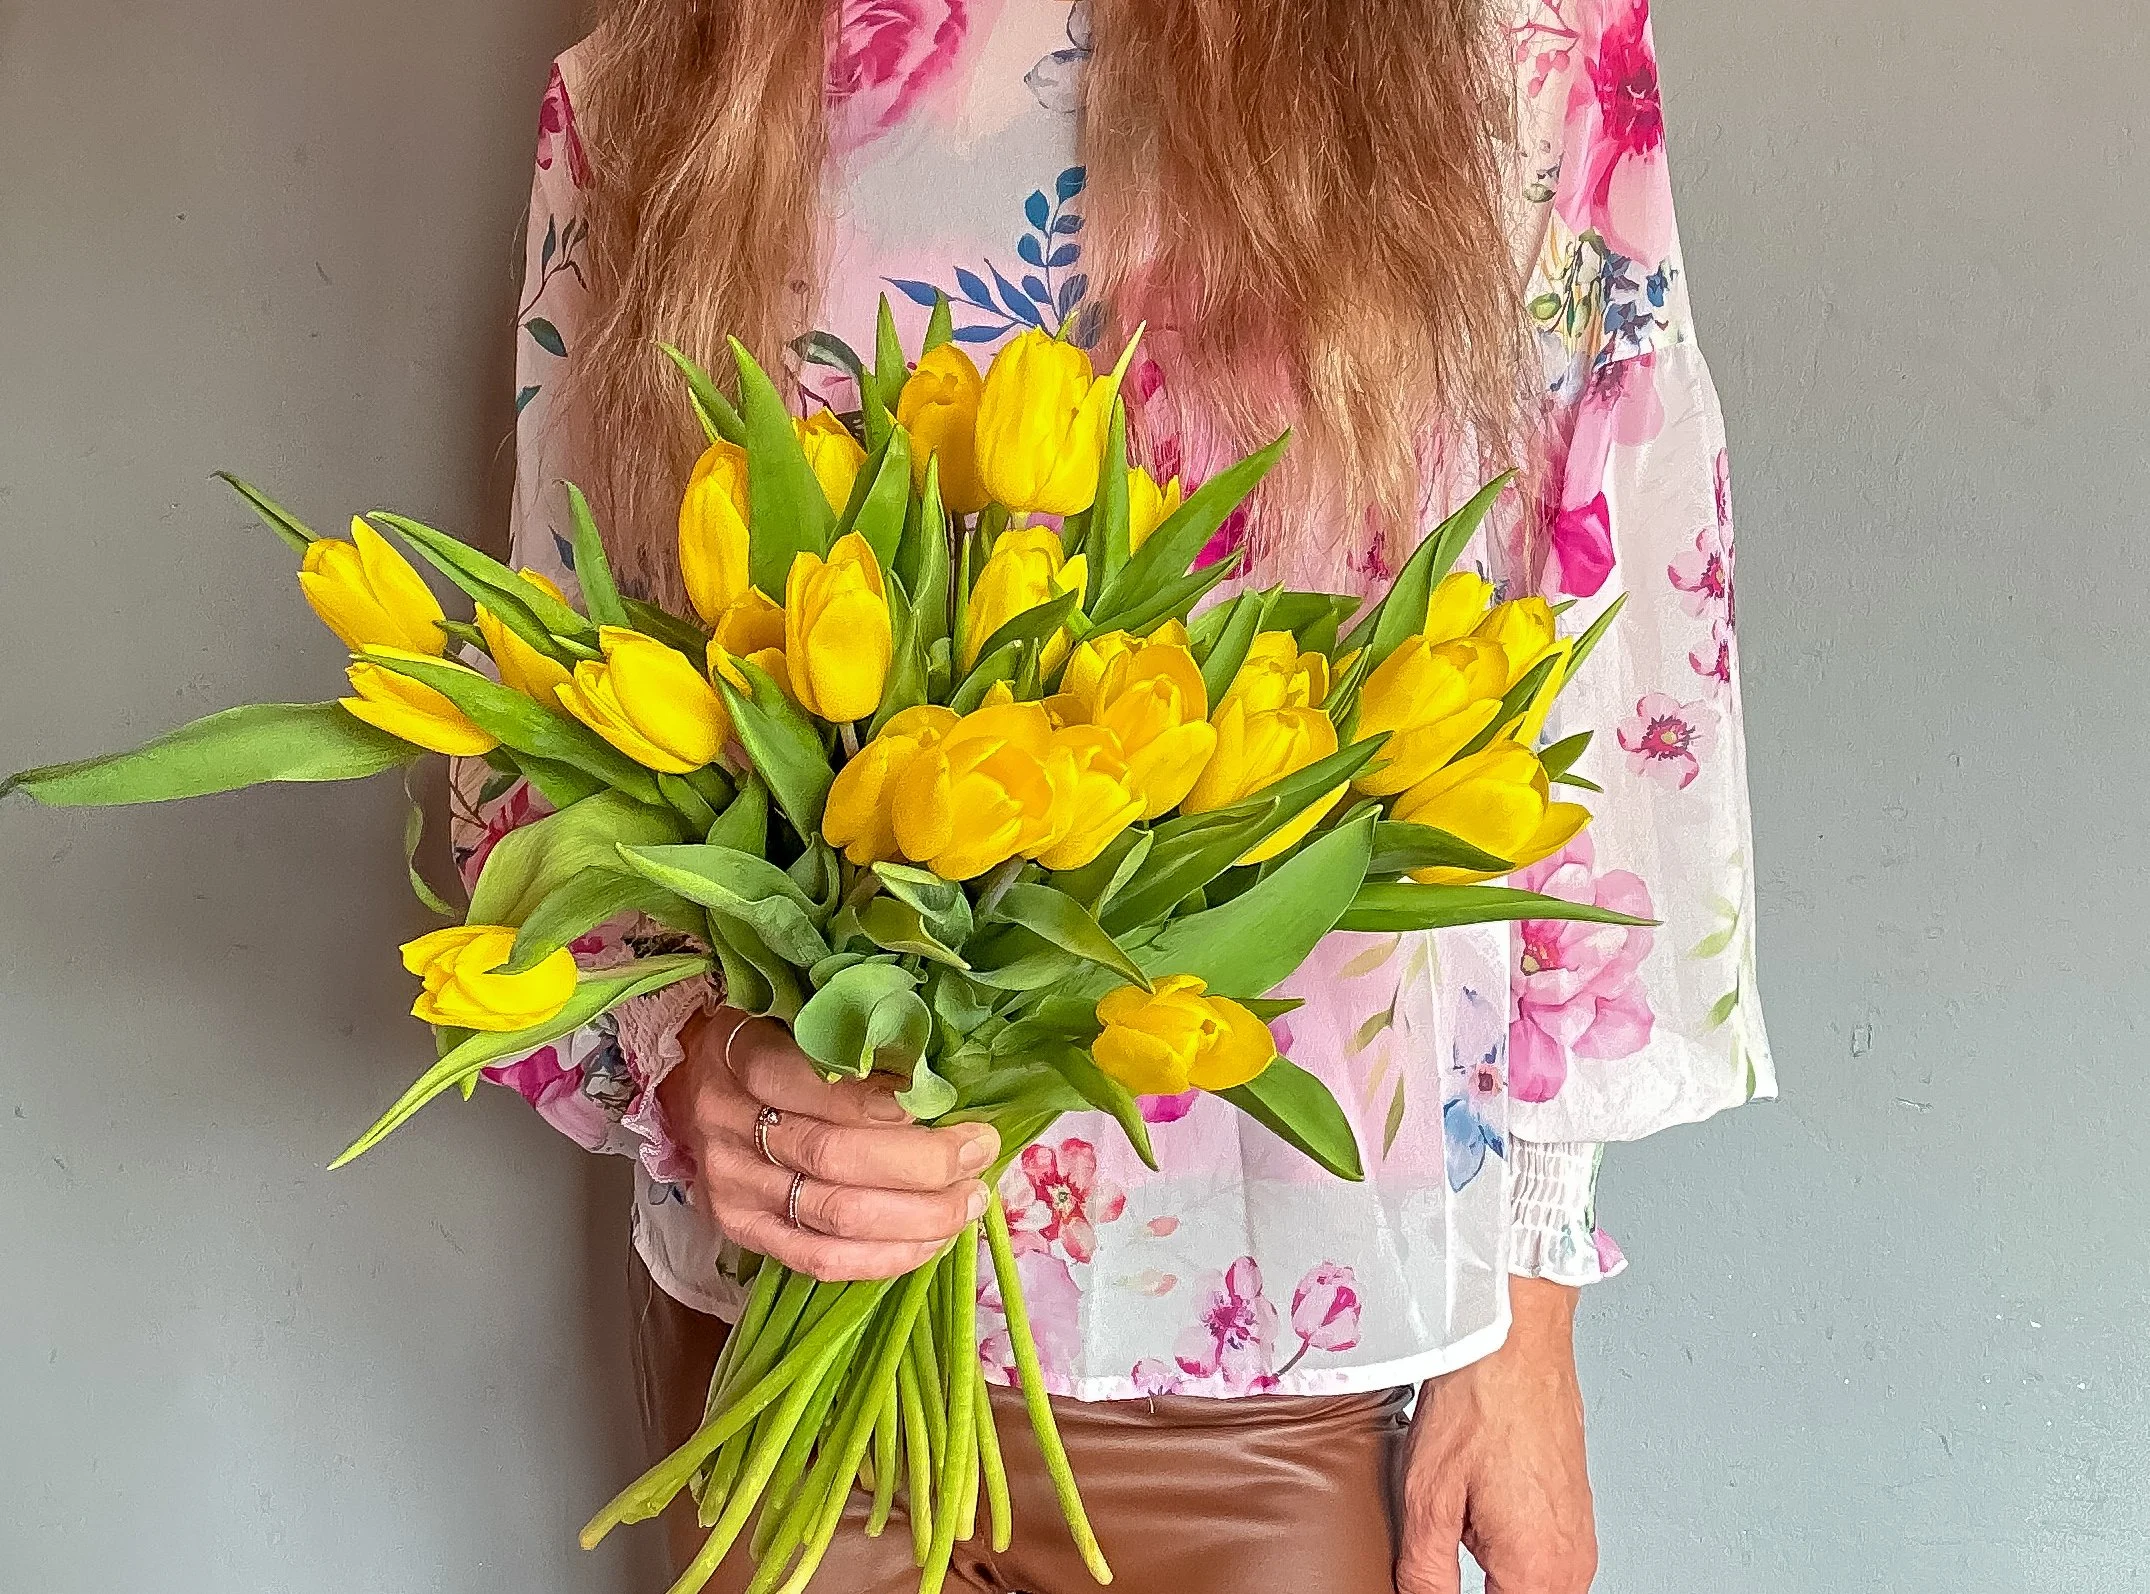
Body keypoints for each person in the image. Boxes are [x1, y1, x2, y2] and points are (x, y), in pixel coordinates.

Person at [457, 2, 1773, 1590]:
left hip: (1283, 1352)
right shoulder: (676, 71)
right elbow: (546, 715)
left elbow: (1604, 663)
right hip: (802, 1340)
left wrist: (1535, 1301)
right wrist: (694, 1070)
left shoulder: (1504, 50)